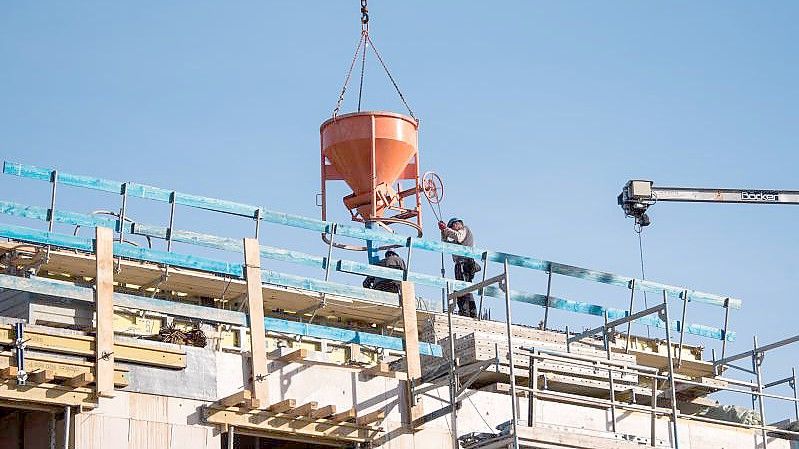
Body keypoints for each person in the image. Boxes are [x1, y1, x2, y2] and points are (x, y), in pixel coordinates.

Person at [438, 217, 480, 317]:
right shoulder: (457, 241)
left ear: (457, 224)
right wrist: (443, 232)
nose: (452, 229)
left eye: (452, 226)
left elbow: (458, 236)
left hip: (465, 263)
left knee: (462, 288)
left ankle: (466, 312)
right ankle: (471, 312)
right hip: (461, 264)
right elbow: (446, 245)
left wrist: (446, 229)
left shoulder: (465, 229)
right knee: (465, 287)